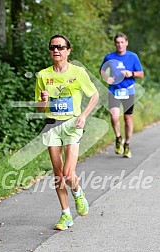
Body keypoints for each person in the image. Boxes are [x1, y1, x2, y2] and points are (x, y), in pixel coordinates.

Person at [35, 34, 99, 230]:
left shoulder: (78, 72)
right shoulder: (43, 75)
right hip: (52, 125)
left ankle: (78, 193)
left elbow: (94, 95)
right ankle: (66, 215)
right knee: (57, 174)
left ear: (68, 51)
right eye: (53, 47)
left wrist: (84, 115)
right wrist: (44, 100)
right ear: (50, 50)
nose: (57, 50)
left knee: (68, 173)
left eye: (61, 47)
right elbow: (39, 108)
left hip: (72, 125)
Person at [100, 32, 144, 158]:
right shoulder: (109, 57)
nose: (120, 45)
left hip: (128, 90)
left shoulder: (133, 57)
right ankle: (118, 138)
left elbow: (141, 74)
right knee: (114, 117)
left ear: (126, 43)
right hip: (114, 90)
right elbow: (102, 71)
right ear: (115, 44)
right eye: (117, 43)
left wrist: (131, 74)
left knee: (127, 118)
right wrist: (107, 79)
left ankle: (127, 144)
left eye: (122, 42)